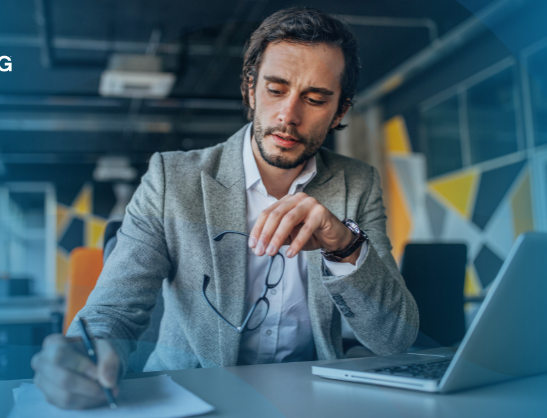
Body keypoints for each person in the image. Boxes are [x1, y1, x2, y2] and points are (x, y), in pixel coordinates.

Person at [31, 7, 419, 409]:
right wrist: (85, 351)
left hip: (309, 401)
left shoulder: (358, 183)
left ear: (340, 111)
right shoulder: (171, 178)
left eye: (316, 98)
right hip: (193, 396)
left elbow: (395, 337)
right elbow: (114, 309)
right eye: (275, 89)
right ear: (251, 90)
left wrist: (344, 245)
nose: (289, 115)